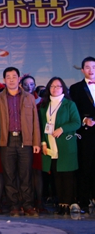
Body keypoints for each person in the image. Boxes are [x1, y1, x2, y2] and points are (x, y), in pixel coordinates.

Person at [0, 67, 41, 217]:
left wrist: (36, 142)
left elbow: (35, 121)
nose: (11, 79)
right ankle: (14, 205)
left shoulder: (29, 97)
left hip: (24, 140)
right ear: (4, 80)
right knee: (9, 175)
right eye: (8, 77)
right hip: (6, 140)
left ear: (19, 79)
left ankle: (28, 205)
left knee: (26, 175)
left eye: (14, 76)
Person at [39, 77, 81, 215]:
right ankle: (60, 203)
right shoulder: (44, 105)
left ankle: (67, 203)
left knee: (67, 175)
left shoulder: (69, 104)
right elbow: (42, 126)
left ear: (63, 88)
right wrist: (43, 143)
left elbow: (76, 122)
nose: (55, 88)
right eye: (52, 86)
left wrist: (62, 129)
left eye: (58, 86)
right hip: (50, 144)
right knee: (56, 175)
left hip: (65, 145)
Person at [69, 57, 95, 213]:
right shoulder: (76, 88)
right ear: (82, 70)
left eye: (94, 67)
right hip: (86, 133)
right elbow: (74, 110)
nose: (91, 70)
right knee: (85, 166)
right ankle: (84, 200)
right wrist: (85, 120)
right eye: (88, 67)